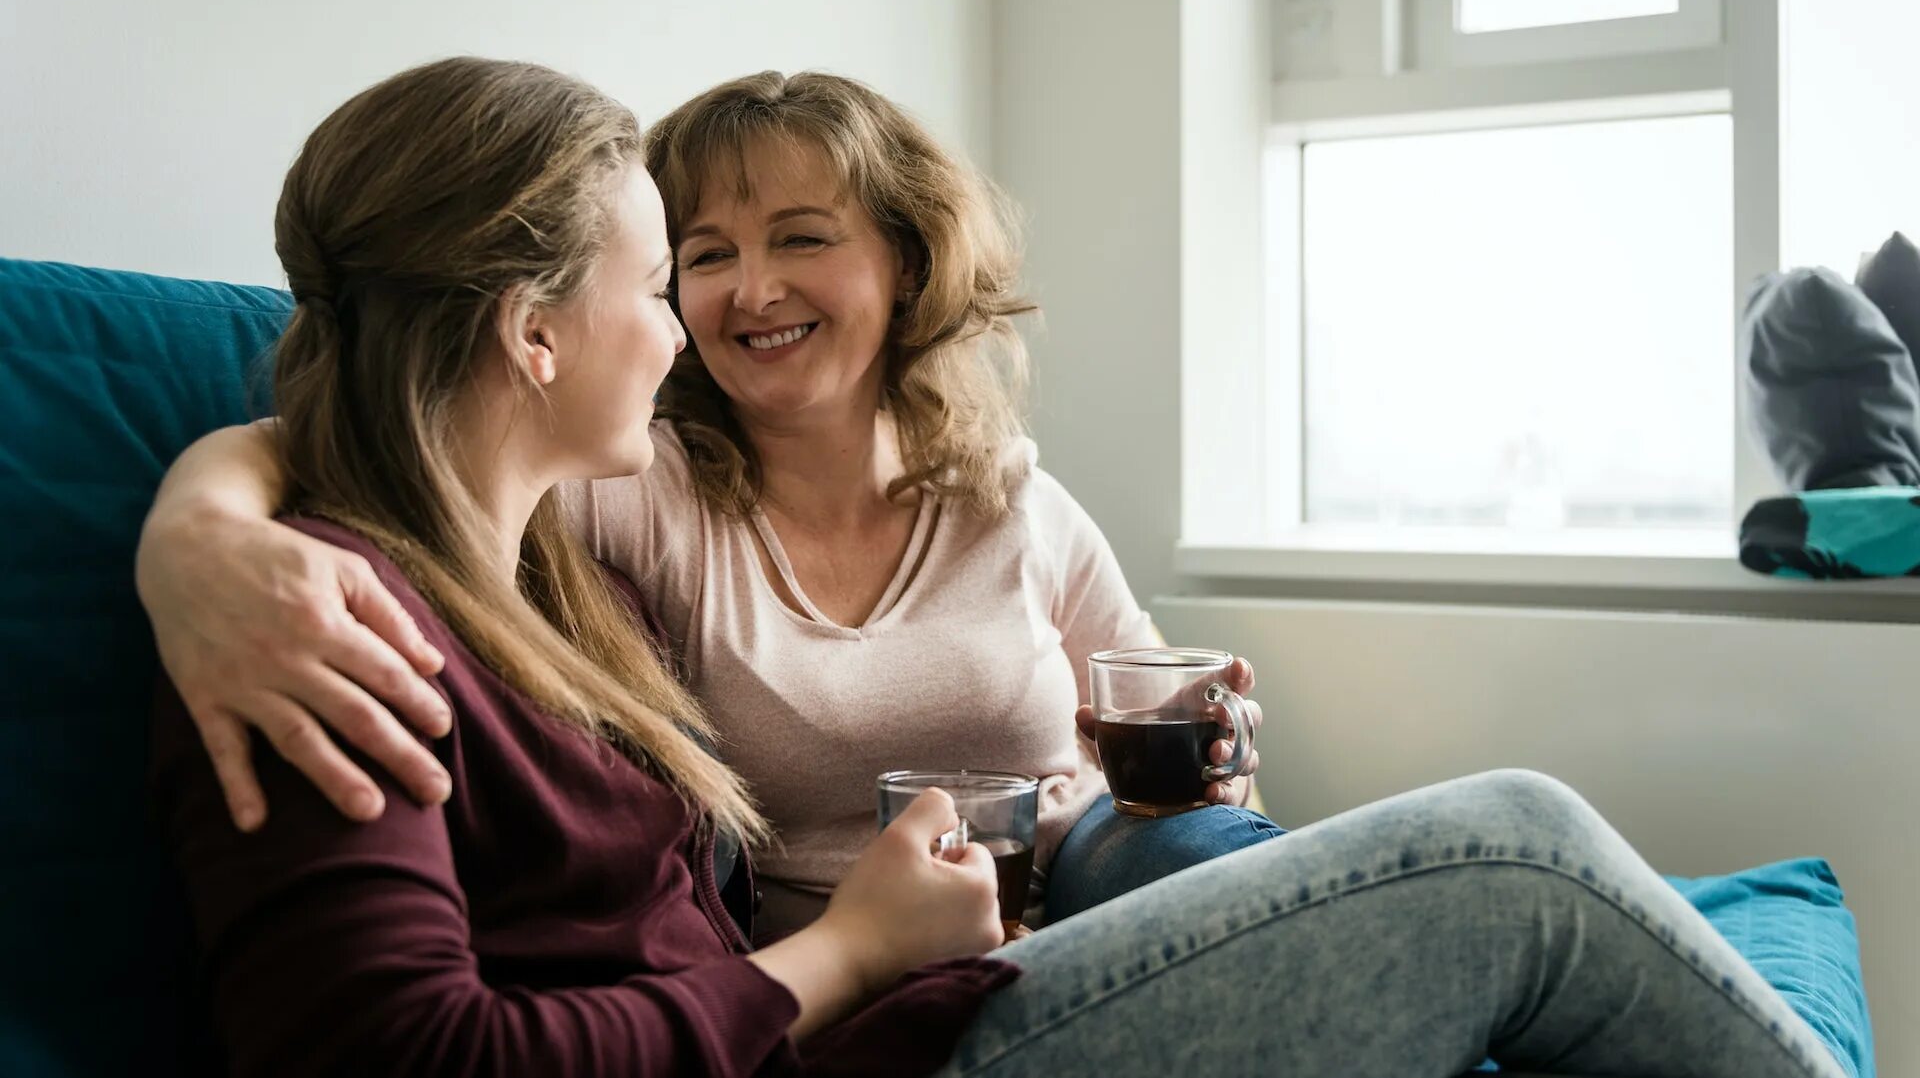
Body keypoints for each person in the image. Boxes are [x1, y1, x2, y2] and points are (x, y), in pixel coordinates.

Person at [152, 57, 1845, 1078]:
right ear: (533, 331)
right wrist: (203, 541)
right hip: (882, 1012)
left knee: (1305, 849)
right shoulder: (352, 620)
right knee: (1529, 850)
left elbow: (373, 420)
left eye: (779, 245)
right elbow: (396, 1058)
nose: (691, 321)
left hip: (954, 973)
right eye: (670, 275)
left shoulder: (534, 590)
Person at [138, 70, 1280, 931]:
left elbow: (1166, 733)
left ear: (906, 262)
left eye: (801, 238)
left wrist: (1218, 745)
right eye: (703, 254)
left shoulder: (1012, 497)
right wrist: (196, 536)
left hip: (1091, 886)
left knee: (1246, 867)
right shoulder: (642, 486)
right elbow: (362, 444)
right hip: (845, 975)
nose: (752, 289)